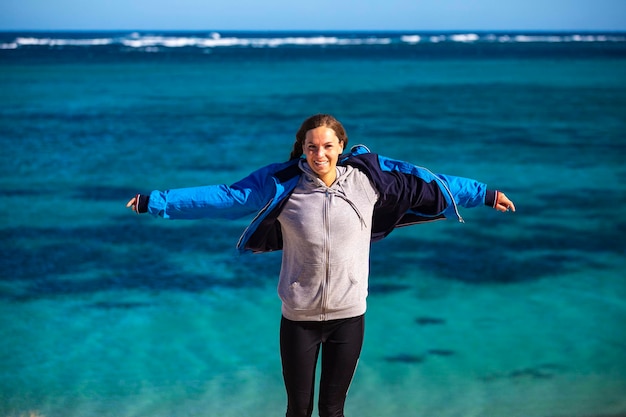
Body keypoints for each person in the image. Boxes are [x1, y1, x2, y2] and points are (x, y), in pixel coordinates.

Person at [126, 114, 515, 417]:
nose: (320, 154)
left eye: (328, 146)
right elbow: (225, 197)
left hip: (349, 318)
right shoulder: (282, 185)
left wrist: (485, 194)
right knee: (298, 410)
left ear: (341, 146)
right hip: (299, 319)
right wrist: (156, 202)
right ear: (302, 150)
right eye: (312, 147)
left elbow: (430, 184)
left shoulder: (370, 183)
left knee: (333, 410)